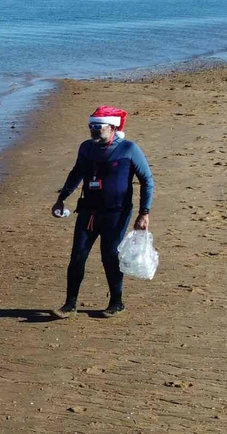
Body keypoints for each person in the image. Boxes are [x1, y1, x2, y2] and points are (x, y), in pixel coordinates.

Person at [52, 106, 154, 317]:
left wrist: (144, 212)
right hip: (88, 211)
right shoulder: (86, 148)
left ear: (113, 127)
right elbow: (76, 173)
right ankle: (70, 304)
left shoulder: (129, 149)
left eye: (98, 127)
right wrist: (61, 199)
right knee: (78, 256)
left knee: (110, 256)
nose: (94, 131)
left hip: (116, 212)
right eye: (91, 127)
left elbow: (147, 180)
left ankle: (116, 302)